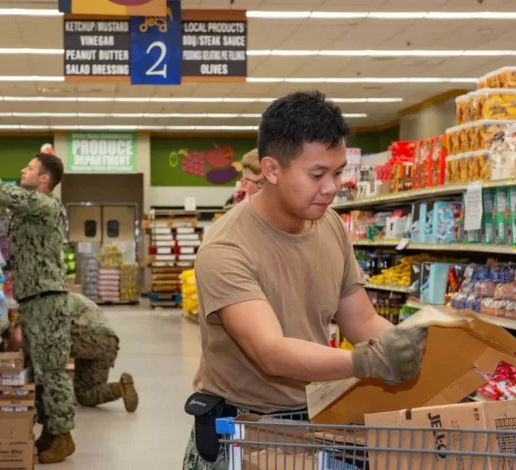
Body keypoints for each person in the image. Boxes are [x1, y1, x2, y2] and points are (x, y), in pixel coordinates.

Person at [182, 91, 427, 470]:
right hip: (244, 431)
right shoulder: (226, 247)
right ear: (271, 169)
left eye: (338, 171)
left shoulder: (329, 225)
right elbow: (271, 351)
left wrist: (408, 348)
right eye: (317, 174)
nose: (332, 187)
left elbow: (360, 320)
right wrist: (366, 361)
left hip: (315, 420)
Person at [0, 153, 76, 464]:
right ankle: (52, 431)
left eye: (29, 168)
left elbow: (5, 193)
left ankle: (64, 436)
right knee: (42, 369)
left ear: (44, 179)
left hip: (47, 299)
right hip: (34, 298)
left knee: (52, 370)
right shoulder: (31, 207)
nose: (23, 170)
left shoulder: (45, 204)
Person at [35, 292, 140, 449]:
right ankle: (120, 388)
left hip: (89, 339)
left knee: (48, 350)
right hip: (109, 343)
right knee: (85, 394)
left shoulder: (50, 303)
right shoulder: (73, 297)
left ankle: (45, 407)